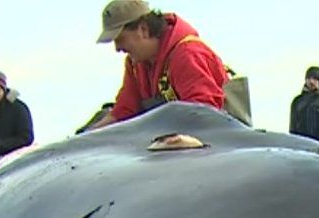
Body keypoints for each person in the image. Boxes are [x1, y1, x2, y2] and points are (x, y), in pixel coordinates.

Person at [86, 0, 228, 131]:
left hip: (211, 145)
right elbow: (125, 109)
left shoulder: (187, 54)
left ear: (144, 30)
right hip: (173, 142)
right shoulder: (135, 63)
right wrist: (86, 136)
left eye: (120, 39)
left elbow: (205, 114)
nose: (117, 48)